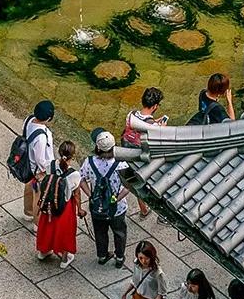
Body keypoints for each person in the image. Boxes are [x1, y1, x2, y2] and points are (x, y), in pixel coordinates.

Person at [82, 130, 130, 267]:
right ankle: (119, 258)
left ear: (97, 147)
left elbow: (81, 180)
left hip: (97, 206)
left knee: (100, 232)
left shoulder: (89, 162)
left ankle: (102, 256)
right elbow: (128, 186)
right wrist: (117, 198)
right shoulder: (121, 164)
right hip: (117, 208)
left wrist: (91, 195)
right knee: (119, 232)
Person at [35, 139, 85, 269]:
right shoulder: (74, 174)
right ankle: (64, 258)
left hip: (48, 203)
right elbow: (76, 194)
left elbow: (42, 177)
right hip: (64, 207)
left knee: (47, 227)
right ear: (72, 156)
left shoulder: (50, 165)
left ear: (59, 152)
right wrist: (80, 209)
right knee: (65, 231)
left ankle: (43, 251)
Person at [122, 87, 168, 215]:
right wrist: (161, 129)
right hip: (141, 157)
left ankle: (143, 210)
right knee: (145, 181)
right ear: (155, 106)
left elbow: (140, 124)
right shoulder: (153, 126)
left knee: (135, 181)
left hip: (127, 151)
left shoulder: (131, 114)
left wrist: (154, 122)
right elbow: (158, 142)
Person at [21, 100, 55, 222]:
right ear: (49, 118)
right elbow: (40, 159)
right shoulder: (41, 136)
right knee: (38, 196)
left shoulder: (29, 120)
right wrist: (46, 171)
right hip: (37, 170)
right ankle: (37, 222)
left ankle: (28, 212)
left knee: (29, 189)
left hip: (28, 164)